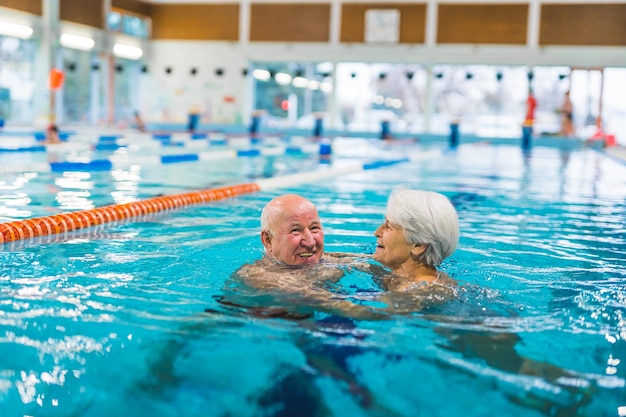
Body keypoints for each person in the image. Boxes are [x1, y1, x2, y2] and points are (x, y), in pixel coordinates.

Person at [373, 188, 459, 292]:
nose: (377, 232)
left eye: (389, 226)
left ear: (418, 245)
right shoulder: (405, 276)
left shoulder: (421, 291)